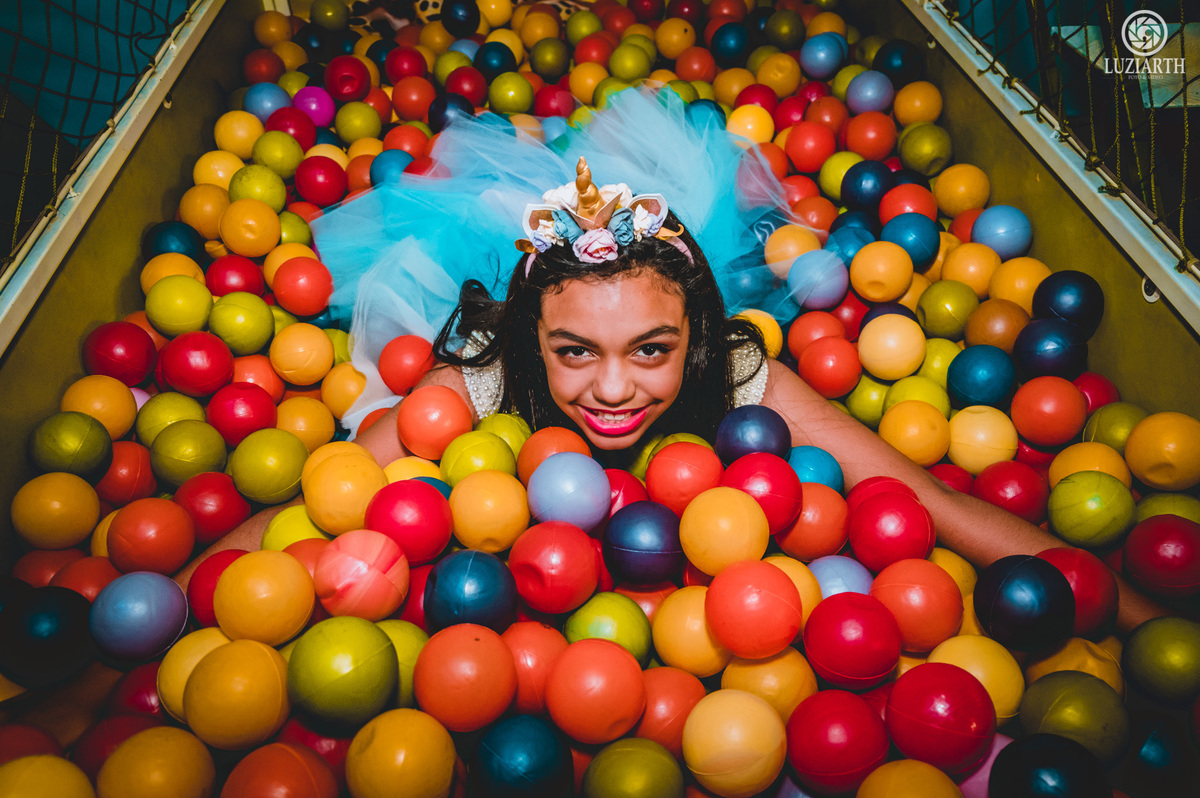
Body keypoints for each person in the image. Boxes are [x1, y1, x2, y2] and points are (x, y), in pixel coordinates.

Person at [178, 87, 1167, 633]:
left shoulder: (735, 369)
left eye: (650, 349)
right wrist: (138, 630)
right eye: (574, 352)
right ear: (531, 344)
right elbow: (310, 515)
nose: (613, 388)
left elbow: (933, 504)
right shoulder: (480, 380)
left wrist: (1145, 624)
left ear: (695, 339)